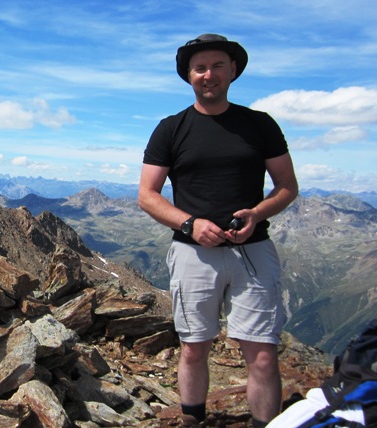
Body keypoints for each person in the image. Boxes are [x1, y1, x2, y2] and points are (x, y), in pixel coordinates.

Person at [138, 34, 299, 427]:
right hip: (193, 253)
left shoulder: (259, 125)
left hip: (254, 250)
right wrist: (190, 224)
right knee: (194, 348)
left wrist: (256, 214)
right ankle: (193, 421)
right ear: (189, 76)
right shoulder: (171, 129)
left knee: (261, 353)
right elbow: (147, 194)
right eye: (200, 68)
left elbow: (287, 188)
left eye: (218, 66)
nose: (209, 75)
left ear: (233, 71)